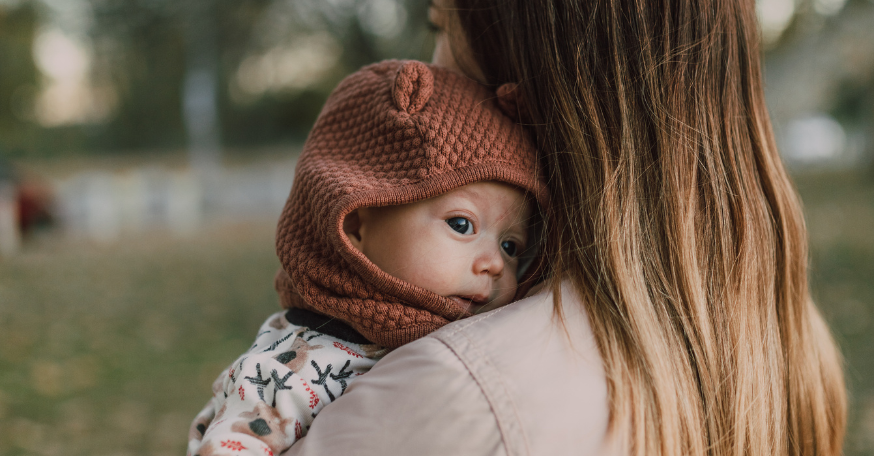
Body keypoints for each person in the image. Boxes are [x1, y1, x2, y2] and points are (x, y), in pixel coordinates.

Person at [278, 1, 849, 455]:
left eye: (440, 26)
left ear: (523, 72)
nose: (433, 63)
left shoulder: (453, 386)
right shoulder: (782, 332)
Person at [187, 59, 548, 456]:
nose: (494, 263)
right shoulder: (295, 364)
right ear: (356, 223)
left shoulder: (478, 343)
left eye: (511, 246)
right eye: (461, 225)